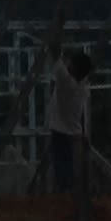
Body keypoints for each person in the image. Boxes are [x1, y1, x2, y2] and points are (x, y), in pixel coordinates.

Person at [43, 45, 93, 194]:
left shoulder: (66, 83)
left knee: (62, 172)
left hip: (61, 134)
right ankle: (69, 200)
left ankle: (64, 199)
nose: (68, 63)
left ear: (75, 68)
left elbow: (54, 53)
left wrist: (54, 39)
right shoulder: (83, 87)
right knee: (70, 172)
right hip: (73, 134)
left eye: (71, 62)